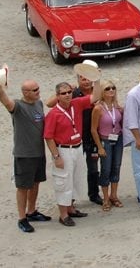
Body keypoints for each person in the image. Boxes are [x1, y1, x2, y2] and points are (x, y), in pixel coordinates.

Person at [0, 75, 50, 233]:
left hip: (39, 152)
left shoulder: (39, 104)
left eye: (38, 88)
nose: (38, 92)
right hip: (24, 154)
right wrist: (0, 88)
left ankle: (32, 211)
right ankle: (22, 218)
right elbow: (5, 101)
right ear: (25, 93)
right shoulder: (17, 107)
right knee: (23, 187)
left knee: (36, 183)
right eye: (34, 90)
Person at [44, 80, 102, 226]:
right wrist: (56, 156)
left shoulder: (76, 104)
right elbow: (48, 137)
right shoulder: (54, 114)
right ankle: (63, 214)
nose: (67, 95)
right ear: (57, 96)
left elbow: (95, 97)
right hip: (63, 150)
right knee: (63, 182)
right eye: (63, 93)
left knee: (76, 179)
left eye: (69, 92)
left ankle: (71, 208)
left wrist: (96, 79)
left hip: (78, 147)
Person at [90, 80, 124, 211]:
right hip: (105, 140)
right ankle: (105, 198)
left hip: (118, 138)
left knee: (117, 166)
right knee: (106, 168)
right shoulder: (98, 108)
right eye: (107, 89)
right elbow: (93, 129)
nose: (111, 90)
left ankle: (114, 195)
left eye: (113, 88)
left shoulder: (117, 106)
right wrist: (99, 146)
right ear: (102, 92)